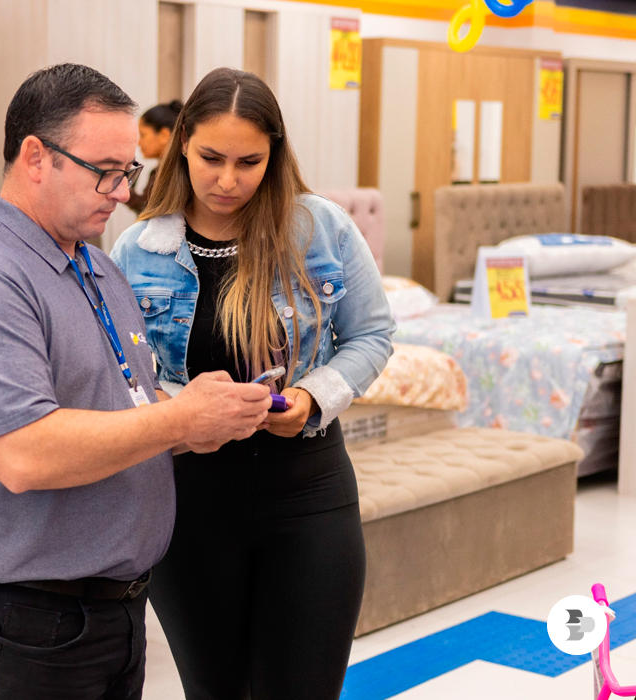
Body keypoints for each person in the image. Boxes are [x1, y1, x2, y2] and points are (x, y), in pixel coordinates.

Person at [0, 63, 273, 700]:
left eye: (128, 171)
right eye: (103, 170)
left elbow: (127, 403)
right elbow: (23, 452)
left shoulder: (95, 265)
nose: (121, 191)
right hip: (22, 621)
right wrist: (180, 420)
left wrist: (200, 419)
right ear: (35, 157)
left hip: (113, 610)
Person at [111, 67, 395, 700]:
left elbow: (373, 337)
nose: (228, 180)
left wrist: (313, 397)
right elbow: (125, 377)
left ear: (276, 154)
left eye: (250, 161)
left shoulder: (320, 229)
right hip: (189, 505)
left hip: (309, 494)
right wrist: (177, 410)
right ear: (181, 143)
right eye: (212, 158)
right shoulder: (137, 250)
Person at [126, 100, 183, 214]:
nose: (139, 142)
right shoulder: (164, 170)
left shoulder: (173, 173)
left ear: (163, 135)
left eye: (143, 134)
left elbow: (151, 212)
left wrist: (126, 192)